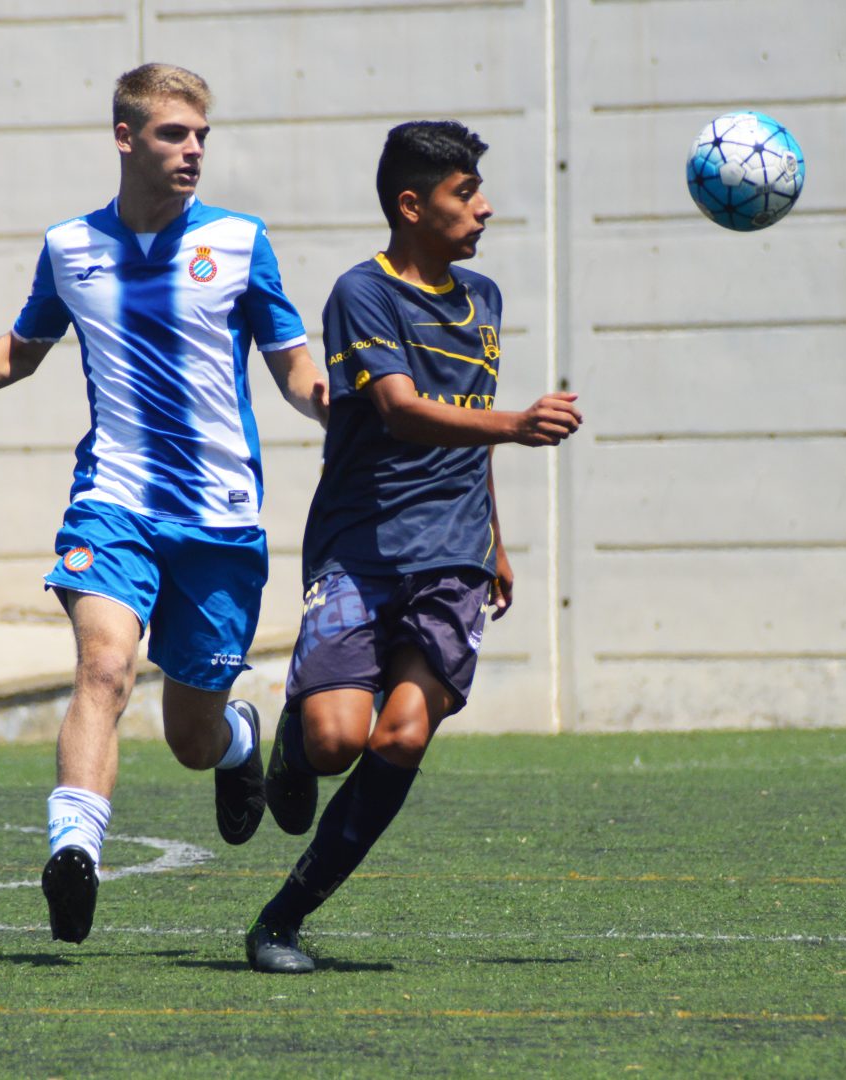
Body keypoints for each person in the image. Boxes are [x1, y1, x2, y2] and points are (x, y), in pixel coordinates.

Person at [0, 63, 329, 945]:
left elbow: (292, 365)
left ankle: (237, 742)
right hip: (110, 500)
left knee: (188, 735)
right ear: (125, 138)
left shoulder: (240, 242)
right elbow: (22, 347)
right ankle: (74, 852)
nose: (191, 150)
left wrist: (338, 402)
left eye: (200, 135)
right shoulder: (69, 247)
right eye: (172, 134)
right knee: (104, 668)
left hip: (218, 518)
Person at [244, 121, 583, 973]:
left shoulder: (487, 300)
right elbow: (396, 408)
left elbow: (467, 431)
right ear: (411, 204)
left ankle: (280, 920)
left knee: (399, 738)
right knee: (333, 742)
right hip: (360, 546)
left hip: (455, 552)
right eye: (464, 193)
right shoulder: (361, 293)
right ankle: (289, 739)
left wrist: (496, 541)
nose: (483, 207)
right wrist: (515, 423)